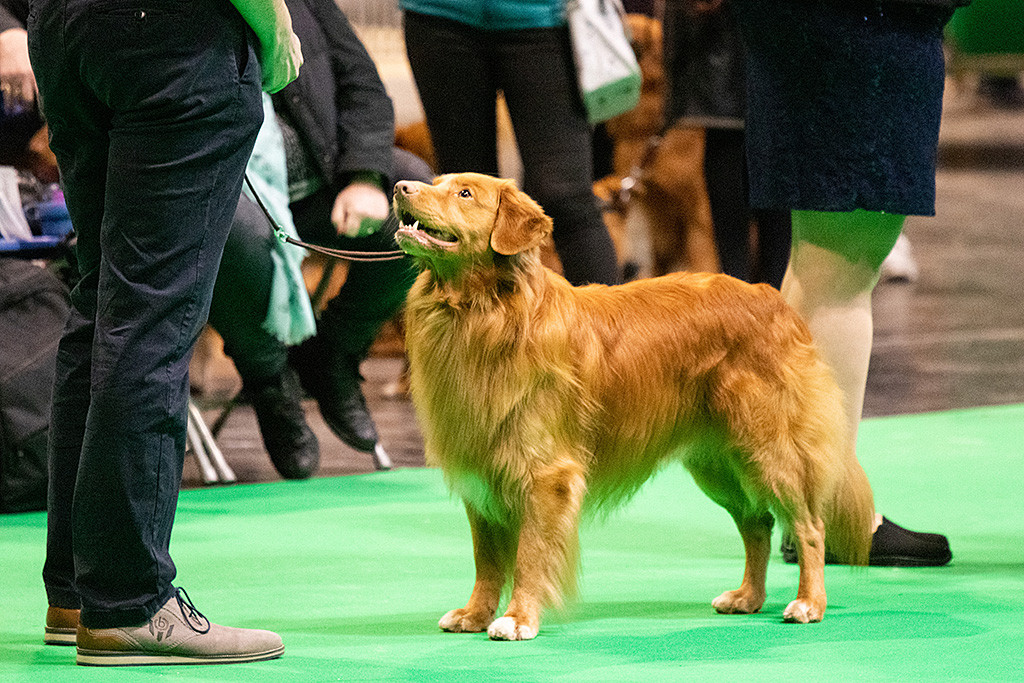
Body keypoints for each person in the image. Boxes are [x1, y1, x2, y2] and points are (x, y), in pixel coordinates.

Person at [27, 0, 302, 666]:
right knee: (150, 313)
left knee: (102, 302)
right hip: (175, 34)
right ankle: (129, 600)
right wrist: (276, 30)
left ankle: (75, 588)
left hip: (65, 26)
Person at [724, 0, 968, 565]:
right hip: (864, 30)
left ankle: (800, 499)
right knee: (842, 268)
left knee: (818, 266)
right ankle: (827, 511)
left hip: (818, 34)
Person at [208, 0, 434, 479]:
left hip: (320, 186)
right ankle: (269, 378)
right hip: (229, 194)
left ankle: (334, 353)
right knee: (224, 231)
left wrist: (365, 177)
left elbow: (363, 86)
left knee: (419, 201)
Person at [400, 0, 621, 286]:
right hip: (441, 17)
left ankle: (607, 326)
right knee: (459, 201)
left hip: (544, 21)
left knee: (566, 199)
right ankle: (473, 329)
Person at [663, 0, 790, 290]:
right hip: (732, 57)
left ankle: (752, 302)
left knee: (759, 199)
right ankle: (751, 303)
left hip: (734, 63)